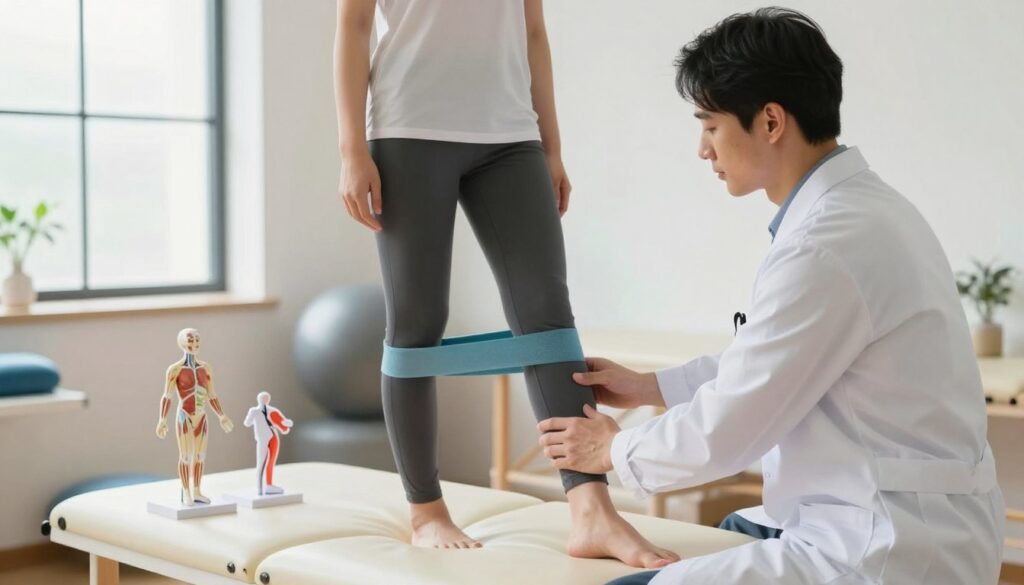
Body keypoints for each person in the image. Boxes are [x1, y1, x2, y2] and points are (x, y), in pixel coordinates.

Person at [537, 8, 1005, 584]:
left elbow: (734, 424)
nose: (703, 149)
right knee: (733, 526)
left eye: (710, 126)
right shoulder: (866, 210)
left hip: (887, 541)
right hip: (897, 509)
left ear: (771, 121)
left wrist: (613, 450)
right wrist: (651, 387)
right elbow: (773, 362)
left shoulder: (825, 244)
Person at [332, 0, 678, 567]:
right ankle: (426, 512)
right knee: (417, 323)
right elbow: (353, 24)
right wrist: (351, 149)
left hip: (511, 134)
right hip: (407, 128)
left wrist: (552, 147)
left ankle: (591, 510)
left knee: (547, 317)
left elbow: (533, 30)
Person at [155, 328, 234, 506]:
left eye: (197, 340)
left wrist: (221, 415)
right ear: (182, 343)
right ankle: (185, 491)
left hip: (201, 416)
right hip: (184, 415)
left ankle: (197, 491)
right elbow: (167, 396)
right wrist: (162, 419)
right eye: (191, 341)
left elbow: (211, 394)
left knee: (200, 456)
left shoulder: (206, 368)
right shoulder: (175, 370)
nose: (195, 344)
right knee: (185, 456)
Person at [243, 391, 294, 496]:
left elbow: (282, 422)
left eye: (266, 398)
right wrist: (251, 416)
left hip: (273, 436)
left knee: (271, 461)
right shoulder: (254, 411)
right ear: (258, 399)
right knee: (261, 463)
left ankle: (269, 484)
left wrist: (287, 423)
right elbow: (247, 423)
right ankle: (260, 487)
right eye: (263, 398)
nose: (265, 400)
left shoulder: (272, 410)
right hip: (262, 439)